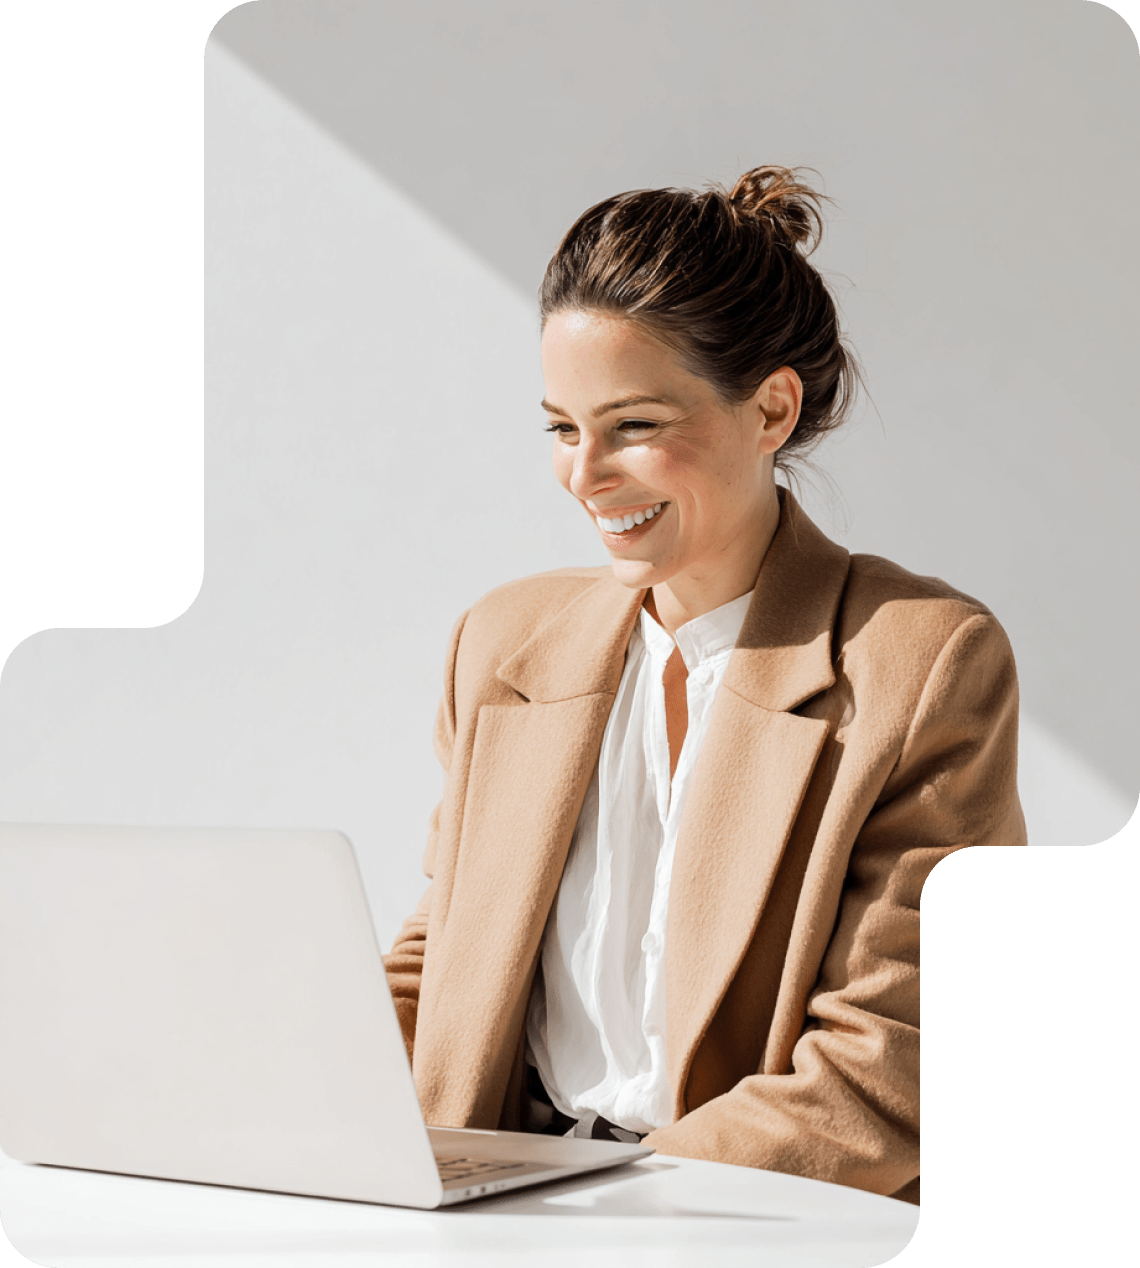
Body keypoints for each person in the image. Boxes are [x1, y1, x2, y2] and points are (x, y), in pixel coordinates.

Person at [383, 166, 1026, 1207]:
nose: (584, 474)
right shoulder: (502, 643)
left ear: (772, 408)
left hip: (749, 1217)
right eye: (561, 427)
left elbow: (892, 1058)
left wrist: (604, 1214)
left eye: (634, 426)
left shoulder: (920, 662)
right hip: (509, 1205)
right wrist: (280, 1079)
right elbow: (446, 956)